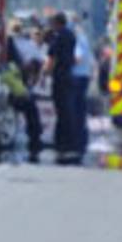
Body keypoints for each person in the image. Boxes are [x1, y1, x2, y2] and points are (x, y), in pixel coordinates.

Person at [43, 12, 79, 164]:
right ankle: (70, 142)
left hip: (60, 77)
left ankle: (62, 144)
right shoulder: (71, 35)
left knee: (61, 111)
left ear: (57, 23)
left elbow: (52, 57)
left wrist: (45, 73)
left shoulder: (58, 37)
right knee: (68, 110)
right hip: (69, 75)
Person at [6, 20, 42, 163]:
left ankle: (31, 137)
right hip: (16, 82)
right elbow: (37, 63)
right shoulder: (26, 44)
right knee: (30, 108)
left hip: (11, 81)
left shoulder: (7, 42)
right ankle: (34, 139)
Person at [69, 14, 95, 160]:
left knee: (76, 108)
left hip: (77, 77)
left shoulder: (78, 39)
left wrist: (65, 61)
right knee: (81, 108)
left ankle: (76, 139)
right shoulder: (84, 38)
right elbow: (91, 60)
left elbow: (77, 58)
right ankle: (81, 136)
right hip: (84, 76)